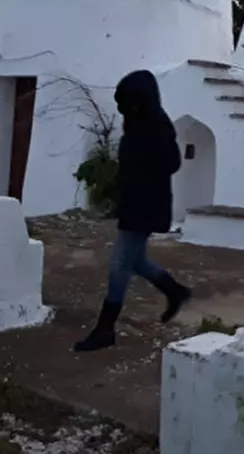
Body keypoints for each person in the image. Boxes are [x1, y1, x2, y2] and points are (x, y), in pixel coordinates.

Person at [74, 69, 192, 353]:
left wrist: (143, 174)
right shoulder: (137, 122)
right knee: (135, 261)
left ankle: (105, 328)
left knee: (119, 266)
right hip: (133, 202)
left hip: (146, 203)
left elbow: (172, 163)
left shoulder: (157, 125)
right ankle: (174, 290)